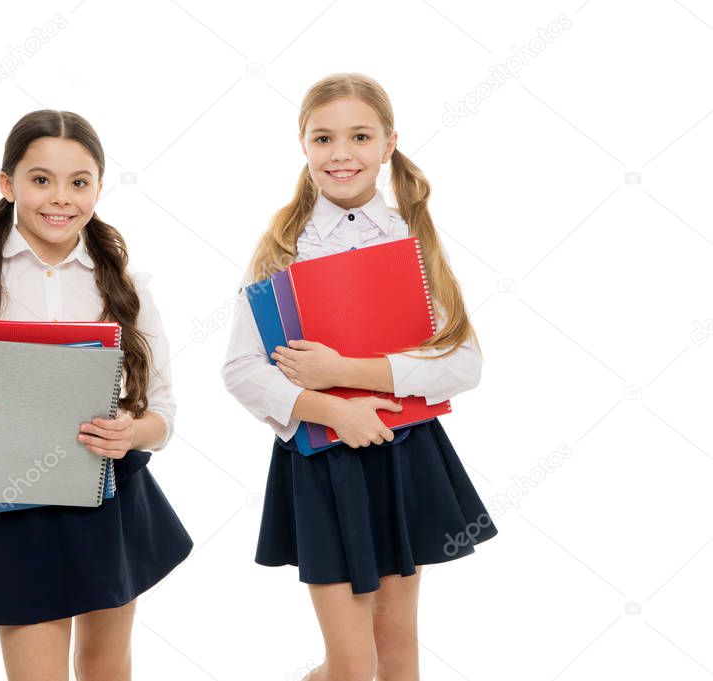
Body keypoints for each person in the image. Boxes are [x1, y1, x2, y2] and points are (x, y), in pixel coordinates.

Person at [221, 73, 497, 681]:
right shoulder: (281, 247)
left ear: (389, 143)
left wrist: (345, 371)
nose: (341, 154)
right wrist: (334, 408)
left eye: (360, 136)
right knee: (351, 665)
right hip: (324, 460)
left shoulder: (413, 240)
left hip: (403, 455)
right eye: (324, 138)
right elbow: (241, 369)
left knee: (397, 656)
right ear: (303, 144)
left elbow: (464, 363)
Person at [0, 109, 193, 681]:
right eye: (41, 179)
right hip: (16, 501)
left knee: (105, 666)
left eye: (79, 182)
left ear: (98, 188)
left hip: (108, 495)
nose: (60, 198)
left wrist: (131, 431)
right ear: (7, 184)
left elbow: (163, 410)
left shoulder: (126, 286)